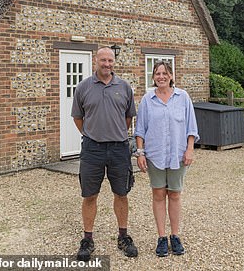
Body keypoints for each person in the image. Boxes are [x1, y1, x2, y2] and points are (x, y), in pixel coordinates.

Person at [71, 46, 138, 261]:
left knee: (121, 193)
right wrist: (93, 135)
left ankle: (123, 236)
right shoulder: (83, 87)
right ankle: (88, 239)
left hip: (119, 148)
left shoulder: (125, 87)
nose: (107, 64)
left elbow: (128, 119)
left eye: (110, 60)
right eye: (103, 60)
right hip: (92, 149)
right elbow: (78, 118)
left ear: (114, 62)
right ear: (95, 61)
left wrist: (113, 133)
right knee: (90, 195)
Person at [133, 61, 199, 257]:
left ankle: (175, 236)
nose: (161, 76)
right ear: (153, 77)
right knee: (159, 194)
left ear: (171, 76)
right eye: (157, 73)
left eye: (164, 73)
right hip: (155, 155)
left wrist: (190, 150)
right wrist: (140, 152)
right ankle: (162, 237)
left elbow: (191, 128)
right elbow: (140, 130)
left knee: (175, 194)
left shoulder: (183, 97)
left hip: (178, 155)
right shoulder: (147, 99)